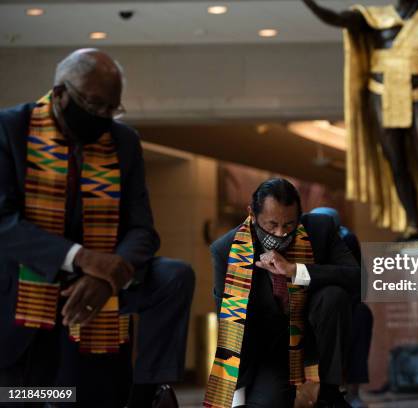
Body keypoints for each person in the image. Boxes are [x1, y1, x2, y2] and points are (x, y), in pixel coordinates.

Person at [0, 49, 195, 407]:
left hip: (104, 283)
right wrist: (81, 259)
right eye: (95, 106)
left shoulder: (123, 142)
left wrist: (108, 276)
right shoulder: (9, 129)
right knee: (33, 397)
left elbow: (142, 230)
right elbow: (4, 224)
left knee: (175, 276)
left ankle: (150, 393)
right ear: (60, 94)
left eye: (112, 109)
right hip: (29, 286)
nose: (103, 117)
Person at [303, 0, 418, 237]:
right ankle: (413, 224)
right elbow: (336, 19)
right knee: (396, 163)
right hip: (381, 94)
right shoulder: (375, 18)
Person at [206, 179, 360, 408]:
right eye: (272, 225)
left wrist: (296, 271)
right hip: (269, 350)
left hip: (314, 337)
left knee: (333, 296)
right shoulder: (226, 250)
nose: (280, 233)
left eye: (289, 224)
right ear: (252, 214)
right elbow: (233, 327)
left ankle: (330, 394)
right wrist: (236, 395)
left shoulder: (319, 229)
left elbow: (356, 276)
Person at [310, 207, 372, 408]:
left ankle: (353, 391)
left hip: (346, 301)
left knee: (361, 316)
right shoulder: (303, 238)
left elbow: (359, 281)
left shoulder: (347, 239)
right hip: (312, 303)